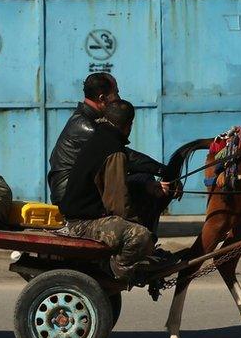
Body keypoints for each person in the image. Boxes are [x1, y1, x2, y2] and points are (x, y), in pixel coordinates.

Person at [55, 99, 175, 281]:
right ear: (129, 125)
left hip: (82, 216)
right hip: (83, 224)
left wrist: (148, 186)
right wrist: (142, 234)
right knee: (140, 236)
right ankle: (116, 271)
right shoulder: (113, 150)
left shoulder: (100, 138)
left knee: (142, 189)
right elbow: (118, 203)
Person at [48, 72, 168, 214]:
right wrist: (165, 170)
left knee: (145, 179)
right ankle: (134, 229)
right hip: (71, 196)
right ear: (102, 98)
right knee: (145, 184)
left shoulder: (91, 120)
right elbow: (124, 155)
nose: (119, 98)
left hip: (83, 189)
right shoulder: (84, 126)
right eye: (116, 93)